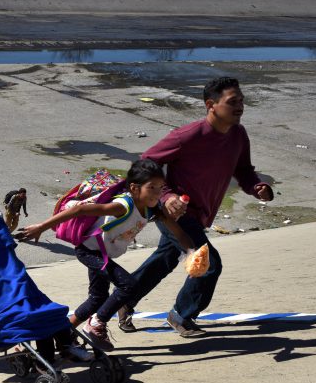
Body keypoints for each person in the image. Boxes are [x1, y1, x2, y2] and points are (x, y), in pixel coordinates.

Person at [119, 77, 274, 337]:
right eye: (232, 102)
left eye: (242, 101)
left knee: (165, 260)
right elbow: (145, 162)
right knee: (208, 263)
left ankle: (123, 299)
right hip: (174, 213)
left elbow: (243, 170)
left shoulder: (238, 134)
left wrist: (256, 187)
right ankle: (181, 315)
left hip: (201, 213)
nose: (240, 107)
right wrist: (166, 195)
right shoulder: (188, 136)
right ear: (211, 105)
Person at [18, 159, 195, 350]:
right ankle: (96, 323)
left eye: (160, 187)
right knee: (128, 285)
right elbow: (79, 209)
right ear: (135, 188)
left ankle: (63, 335)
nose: (157, 193)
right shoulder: (122, 206)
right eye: (151, 187)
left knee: (97, 297)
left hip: (101, 254)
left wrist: (193, 253)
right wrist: (41, 227)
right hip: (88, 251)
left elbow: (179, 233)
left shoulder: (153, 209)